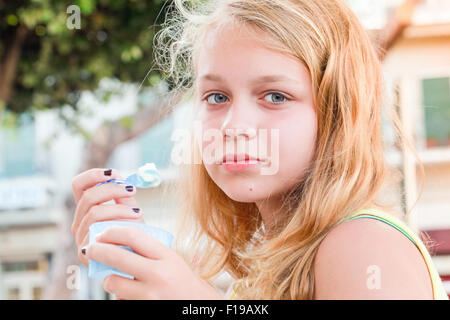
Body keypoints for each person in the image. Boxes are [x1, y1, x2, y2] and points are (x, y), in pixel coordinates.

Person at [70, 0, 449, 300]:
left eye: (275, 96)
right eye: (216, 96)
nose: (234, 126)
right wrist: (139, 266)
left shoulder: (362, 244)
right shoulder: (267, 268)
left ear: (337, 114)